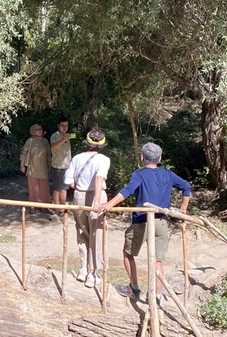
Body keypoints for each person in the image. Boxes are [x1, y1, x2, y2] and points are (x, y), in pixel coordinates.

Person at [101, 142, 191, 305]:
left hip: (141, 221)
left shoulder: (139, 174)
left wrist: (109, 204)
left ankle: (134, 287)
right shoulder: (168, 174)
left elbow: (128, 190)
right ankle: (156, 296)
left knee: (128, 254)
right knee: (157, 260)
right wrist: (183, 209)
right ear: (160, 158)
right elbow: (186, 187)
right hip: (161, 222)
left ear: (142, 158)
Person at [63, 128, 110, 288]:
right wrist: (97, 199)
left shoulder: (77, 158)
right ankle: (93, 272)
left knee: (82, 231)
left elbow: (69, 180)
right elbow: (99, 177)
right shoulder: (103, 159)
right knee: (97, 233)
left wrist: (80, 188)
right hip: (96, 197)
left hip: (79, 195)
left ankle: (83, 268)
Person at [20, 123, 51, 204]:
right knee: (33, 187)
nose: (39, 131)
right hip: (32, 167)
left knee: (44, 188)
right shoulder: (29, 141)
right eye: (37, 129)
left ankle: (44, 206)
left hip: (43, 168)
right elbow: (24, 153)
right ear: (32, 131)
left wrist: (50, 166)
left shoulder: (45, 141)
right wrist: (22, 165)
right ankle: (33, 205)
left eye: (40, 129)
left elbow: (48, 154)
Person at [49, 118, 74, 205]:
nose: (64, 127)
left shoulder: (68, 135)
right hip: (58, 166)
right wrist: (63, 139)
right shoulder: (55, 136)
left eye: (66, 125)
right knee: (57, 188)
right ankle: (56, 208)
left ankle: (63, 207)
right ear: (58, 126)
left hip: (67, 166)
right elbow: (52, 146)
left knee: (64, 188)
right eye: (62, 125)